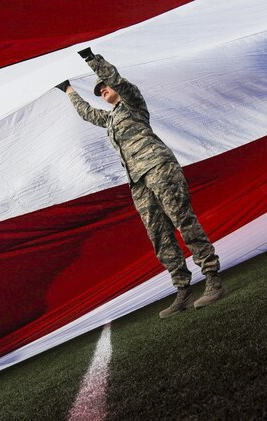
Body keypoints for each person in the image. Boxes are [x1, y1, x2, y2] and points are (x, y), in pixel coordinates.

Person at [55, 47, 225, 318]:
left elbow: (117, 79)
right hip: (138, 181)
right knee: (159, 237)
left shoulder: (133, 103)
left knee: (183, 221)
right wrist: (68, 90)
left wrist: (90, 59)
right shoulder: (110, 118)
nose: (102, 92)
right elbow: (87, 113)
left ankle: (213, 278)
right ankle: (182, 289)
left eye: (104, 88)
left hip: (158, 167)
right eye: (98, 91)